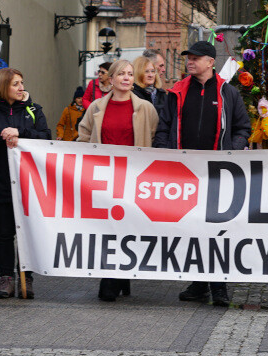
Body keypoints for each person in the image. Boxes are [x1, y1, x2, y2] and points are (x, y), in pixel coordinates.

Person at [155, 41, 250, 307]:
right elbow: (164, 128)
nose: (190, 61)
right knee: (193, 230)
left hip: (217, 173)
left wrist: (230, 152)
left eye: (196, 58)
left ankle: (219, 288)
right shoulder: (176, 92)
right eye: (189, 57)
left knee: (217, 231)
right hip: (184, 174)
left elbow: (243, 127)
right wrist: (164, 154)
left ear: (211, 62)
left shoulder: (227, 93)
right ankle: (199, 285)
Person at [78, 60, 159, 302]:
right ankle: (115, 276)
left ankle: (114, 278)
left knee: (127, 227)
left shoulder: (145, 108)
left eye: (130, 74)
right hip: (104, 178)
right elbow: (83, 137)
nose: (126, 78)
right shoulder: (95, 107)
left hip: (134, 177)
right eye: (121, 74)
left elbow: (154, 139)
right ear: (110, 79)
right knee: (107, 228)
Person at [0, 68, 50, 299]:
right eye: (15, 83)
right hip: (0, 183)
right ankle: (7, 279)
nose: (21, 87)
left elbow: (46, 137)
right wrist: (1, 135)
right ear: (3, 86)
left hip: (29, 183)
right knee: (4, 233)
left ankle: (27, 278)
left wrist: (21, 132)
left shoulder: (34, 111)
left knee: (26, 233)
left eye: (22, 83)